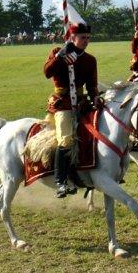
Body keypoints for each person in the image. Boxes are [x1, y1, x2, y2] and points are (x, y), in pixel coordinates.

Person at [43, 22, 99, 198]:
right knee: (66, 140)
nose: (86, 41)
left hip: (81, 103)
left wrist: (95, 98)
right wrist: (60, 56)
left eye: (88, 38)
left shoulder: (90, 60)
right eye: (83, 38)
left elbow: (92, 85)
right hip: (63, 103)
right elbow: (47, 72)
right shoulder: (58, 52)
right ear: (72, 38)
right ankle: (61, 181)